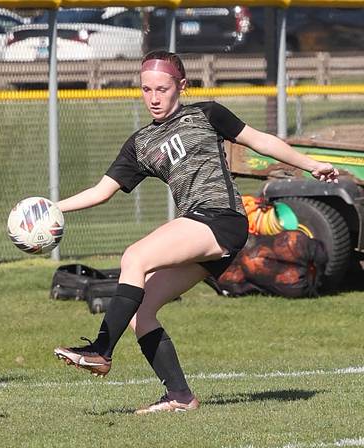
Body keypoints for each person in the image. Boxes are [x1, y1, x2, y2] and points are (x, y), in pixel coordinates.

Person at [53, 50, 339, 414]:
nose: (154, 98)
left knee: (134, 257)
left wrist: (312, 165)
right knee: (142, 314)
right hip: (203, 231)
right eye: (146, 90)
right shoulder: (140, 144)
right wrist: (54, 208)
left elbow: (261, 141)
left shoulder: (206, 114)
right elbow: (101, 191)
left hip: (221, 219)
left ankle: (100, 350)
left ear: (182, 86)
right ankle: (180, 397)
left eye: (162, 88)